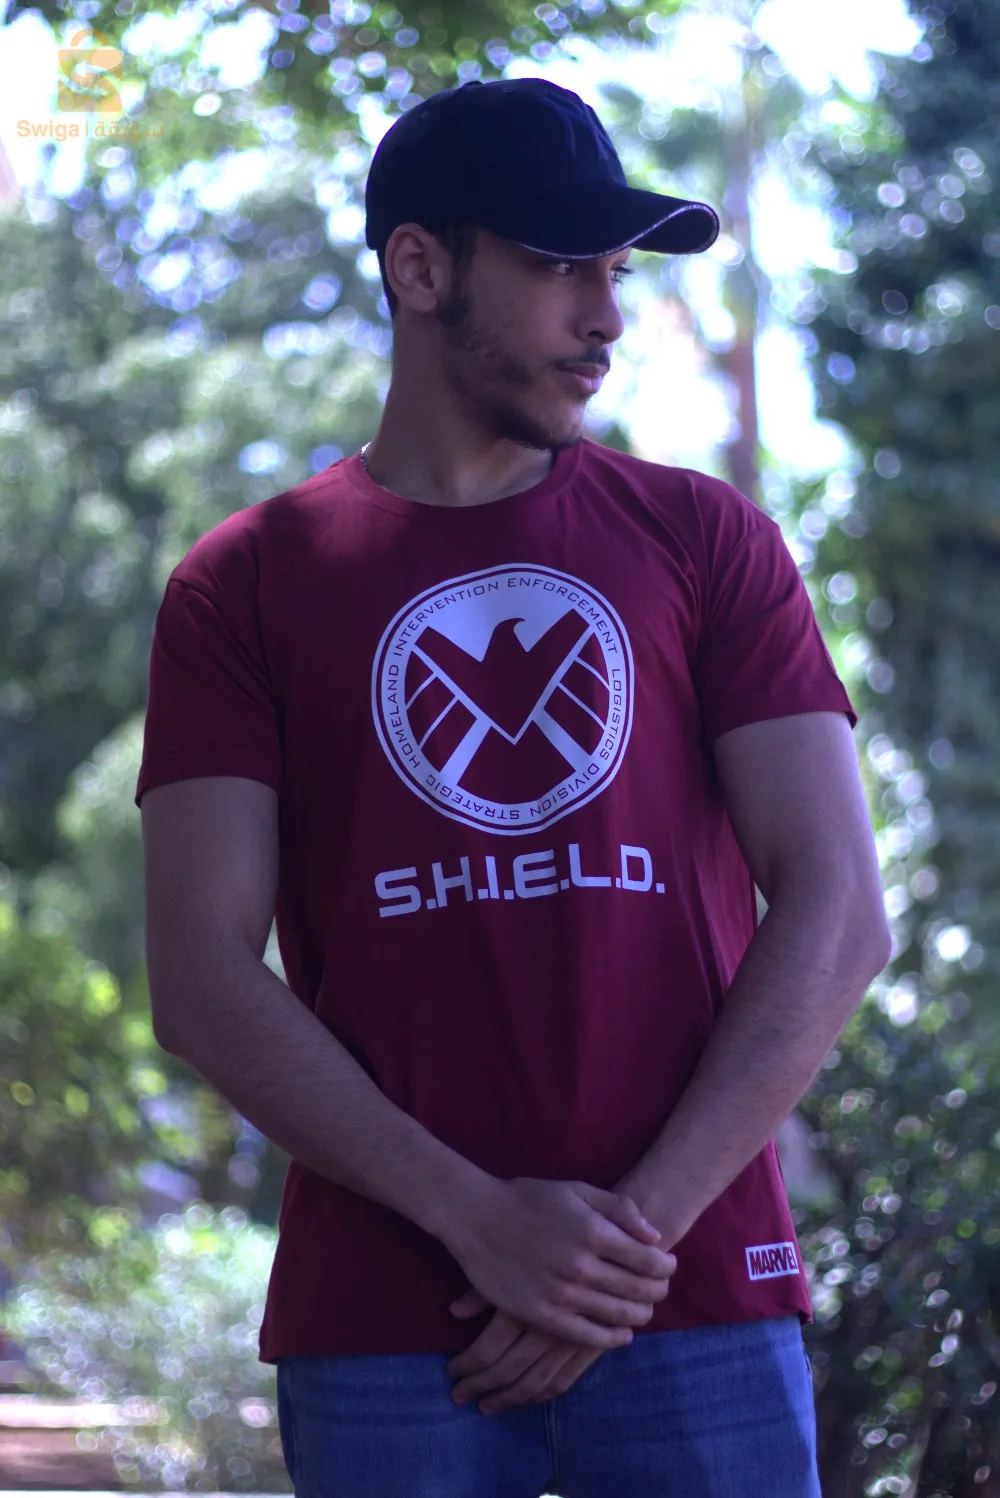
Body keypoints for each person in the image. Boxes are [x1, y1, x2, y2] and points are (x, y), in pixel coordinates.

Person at [136, 77, 891, 1497]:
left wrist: (618, 1248)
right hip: (387, 1321)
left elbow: (840, 910)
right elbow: (199, 974)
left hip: (696, 1300)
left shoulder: (707, 539)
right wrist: (478, 1221)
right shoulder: (243, 585)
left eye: (616, 272)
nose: (606, 316)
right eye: (558, 266)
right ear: (421, 268)